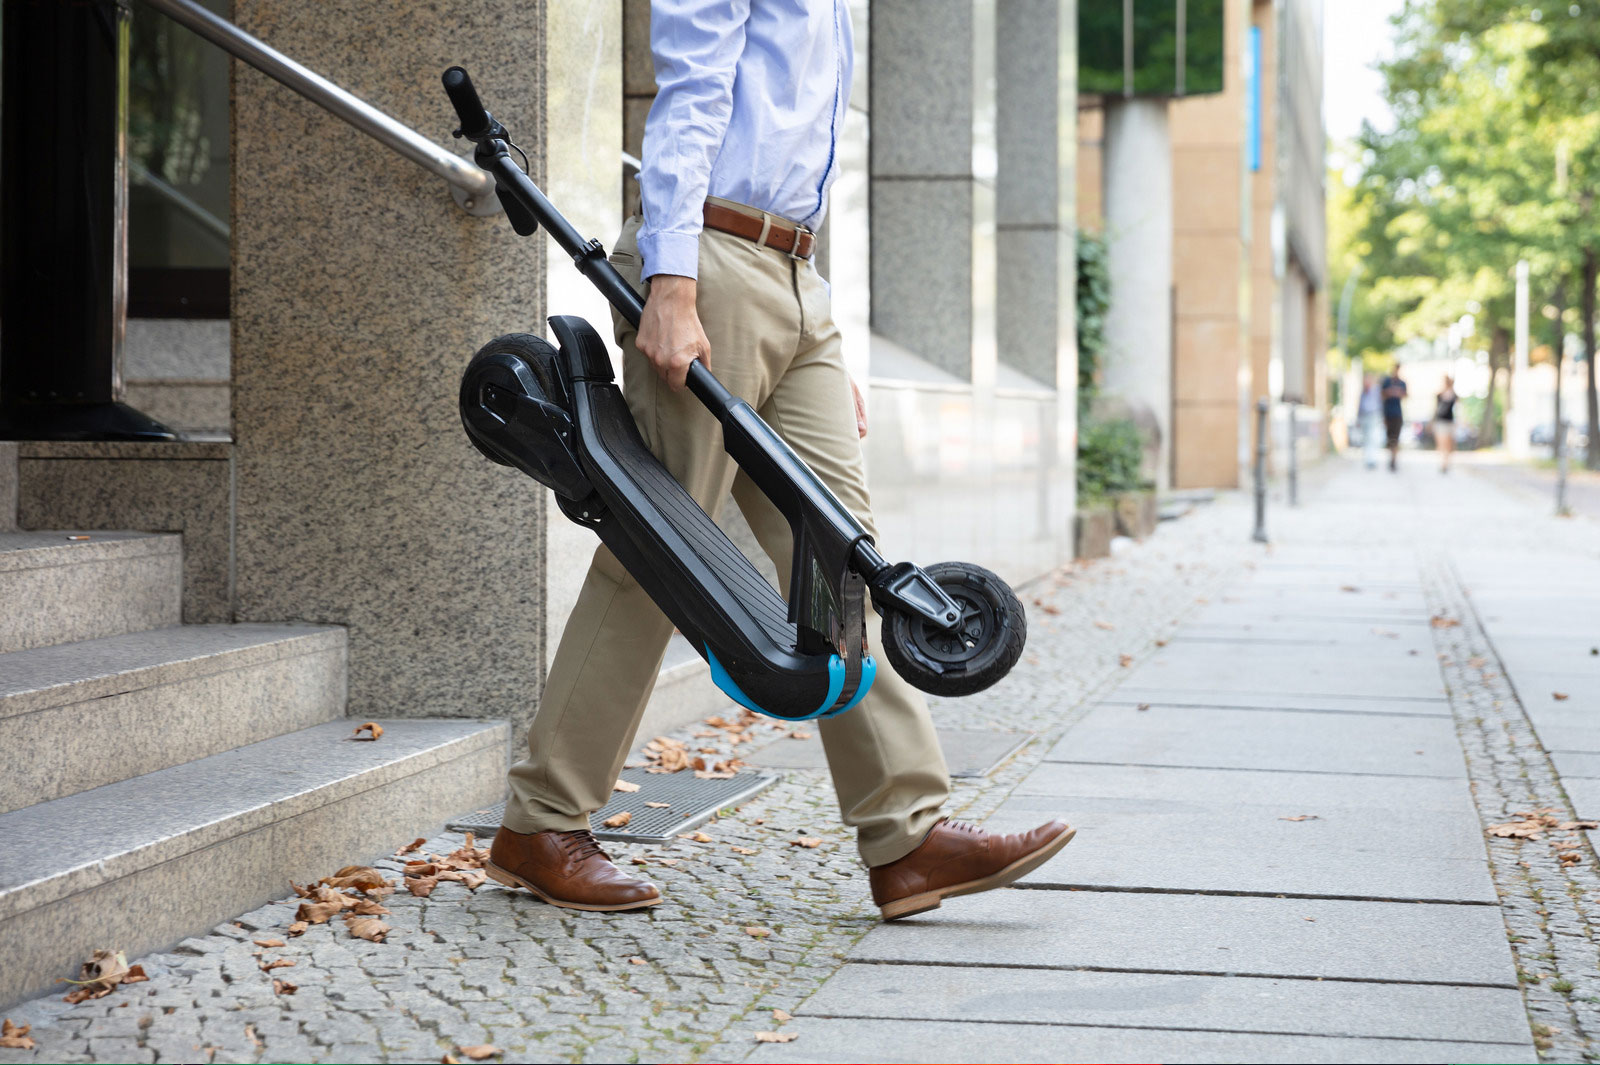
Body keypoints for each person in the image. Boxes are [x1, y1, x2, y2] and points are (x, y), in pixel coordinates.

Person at [485, 0, 1073, 921]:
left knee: (841, 556)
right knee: (657, 551)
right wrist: (672, 281)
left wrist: (812, 316)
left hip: (795, 274)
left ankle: (907, 837)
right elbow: (692, 89)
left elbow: (804, 143)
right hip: (710, 261)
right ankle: (541, 821)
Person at [1380, 363, 1408, 472]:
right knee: (1389, 438)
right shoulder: (1387, 382)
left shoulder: (1402, 383)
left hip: (1397, 414)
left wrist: (1398, 393)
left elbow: (1405, 395)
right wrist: (1390, 392)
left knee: (1395, 438)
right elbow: (1382, 394)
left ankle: (1394, 459)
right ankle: (1391, 456)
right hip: (1388, 413)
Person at [1358, 372, 1382, 470]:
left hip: (1373, 415)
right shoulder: (1363, 392)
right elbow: (1360, 405)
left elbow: (1380, 403)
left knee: (1372, 438)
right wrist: (1358, 418)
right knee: (1366, 438)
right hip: (1364, 416)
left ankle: (1372, 459)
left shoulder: (1376, 391)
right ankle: (1368, 459)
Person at [1434, 376, 1457, 473]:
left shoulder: (1454, 395)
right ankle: (1443, 463)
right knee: (1442, 444)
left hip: (1450, 422)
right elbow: (1435, 410)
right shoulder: (1439, 395)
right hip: (1441, 422)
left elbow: (1458, 409)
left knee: (1449, 445)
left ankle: (1446, 462)